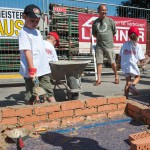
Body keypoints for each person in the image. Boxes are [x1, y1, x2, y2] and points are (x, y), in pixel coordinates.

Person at [19, 4, 56, 105]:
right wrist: (32, 70)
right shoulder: (23, 33)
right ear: (24, 17)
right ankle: (31, 113)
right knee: (31, 94)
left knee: (49, 91)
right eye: (32, 20)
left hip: (43, 69)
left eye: (37, 21)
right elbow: (27, 52)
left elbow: (39, 50)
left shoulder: (37, 32)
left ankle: (57, 110)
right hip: (31, 71)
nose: (35, 23)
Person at [92, 4, 119, 86]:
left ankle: (116, 76)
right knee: (99, 62)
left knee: (112, 62)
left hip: (109, 45)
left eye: (105, 10)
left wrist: (107, 38)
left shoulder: (110, 21)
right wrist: (101, 38)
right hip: (99, 45)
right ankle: (99, 80)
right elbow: (94, 34)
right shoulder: (95, 22)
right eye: (102, 10)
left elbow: (114, 32)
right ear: (98, 11)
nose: (104, 11)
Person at [118, 26, 145, 99]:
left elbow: (120, 55)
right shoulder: (138, 46)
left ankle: (126, 97)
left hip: (125, 66)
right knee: (138, 77)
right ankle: (132, 86)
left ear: (128, 35)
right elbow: (141, 58)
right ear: (138, 35)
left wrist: (118, 63)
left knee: (128, 82)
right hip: (132, 65)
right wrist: (143, 64)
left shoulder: (124, 44)